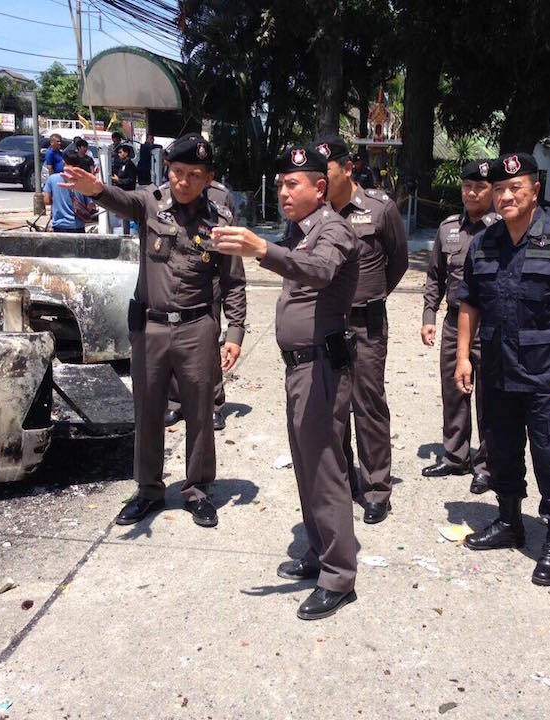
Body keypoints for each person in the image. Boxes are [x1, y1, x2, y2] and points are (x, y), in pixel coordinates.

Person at [59, 133, 247, 530]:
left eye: (194, 175)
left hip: (198, 327)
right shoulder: (150, 202)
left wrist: (234, 333)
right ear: (168, 170)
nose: (183, 181)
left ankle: (197, 490)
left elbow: (233, 281)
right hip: (151, 328)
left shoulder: (221, 221)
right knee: (147, 410)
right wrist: (95, 189)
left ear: (208, 177)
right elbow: (118, 200)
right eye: (177, 172)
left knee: (199, 412)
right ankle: (148, 490)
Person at [213, 145, 360, 621]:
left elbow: (319, 272)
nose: (283, 190)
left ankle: (339, 576)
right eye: (279, 183)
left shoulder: (333, 228)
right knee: (305, 465)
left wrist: (263, 250)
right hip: (300, 365)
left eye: (292, 183)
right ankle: (319, 552)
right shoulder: (302, 229)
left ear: (320, 188)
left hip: (321, 365)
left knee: (324, 468)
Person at [454, 152, 550, 586]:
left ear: (535, 191)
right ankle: (509, 519)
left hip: (545, 373)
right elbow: (469, 302)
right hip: (496, 369)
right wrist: (464, 356)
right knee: (500, 447)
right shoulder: (485, 242)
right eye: (499, 189)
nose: (506, 195)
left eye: (515, 187)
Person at [314, 134, 408, 525]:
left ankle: (375, 490)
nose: (319, 179)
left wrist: (371, 296)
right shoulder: (315, 214)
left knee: (368, 406)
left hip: (366, 325)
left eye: (327, 171)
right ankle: (343, 481)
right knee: (333, 407)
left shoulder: (379, 209)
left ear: (347, 169)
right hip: (328, 326)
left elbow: (399, 262)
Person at [421, 159, 500, 494]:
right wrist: (429, 317)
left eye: (479, 186)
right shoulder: (448, 228)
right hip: (455, 324)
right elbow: (434, 276)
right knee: (453, 392)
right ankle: (455, 455)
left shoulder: (503, 228)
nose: (471, 192)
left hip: (491, 325)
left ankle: (487, 465)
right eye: (467, 186)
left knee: (489, 397)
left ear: (492, 190)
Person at [164, 178, 238, 431]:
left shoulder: (221, 195)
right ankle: (176, 401)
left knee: (208, 345)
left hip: (209, 281)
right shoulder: (166, 194)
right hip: (175, 282)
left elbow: (230, 243)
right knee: (173, 344)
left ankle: (214, 403)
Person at [43, 155, 94, 233]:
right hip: (78, 226)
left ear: (63, 163)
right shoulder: (83, 181)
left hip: (59, 225)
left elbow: (46, 201)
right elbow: (90, 206)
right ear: (78, 165)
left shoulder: (52, 179)